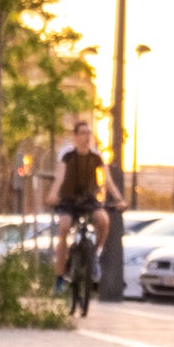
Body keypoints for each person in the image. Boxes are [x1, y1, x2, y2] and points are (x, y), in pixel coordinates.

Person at [51, 118, 123, 292]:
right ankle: (59, 278)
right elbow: (60, 176)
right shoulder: (67, 154)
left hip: (88, 199)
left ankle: (94, 254)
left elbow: (107, 181)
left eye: (88, 133)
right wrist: (53, 193)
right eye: (82, 133)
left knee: (104, 220)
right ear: (75, 136)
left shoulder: (96, 156)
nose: (85, 137)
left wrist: (119, 199)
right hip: (69, 200)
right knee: (64, 226)